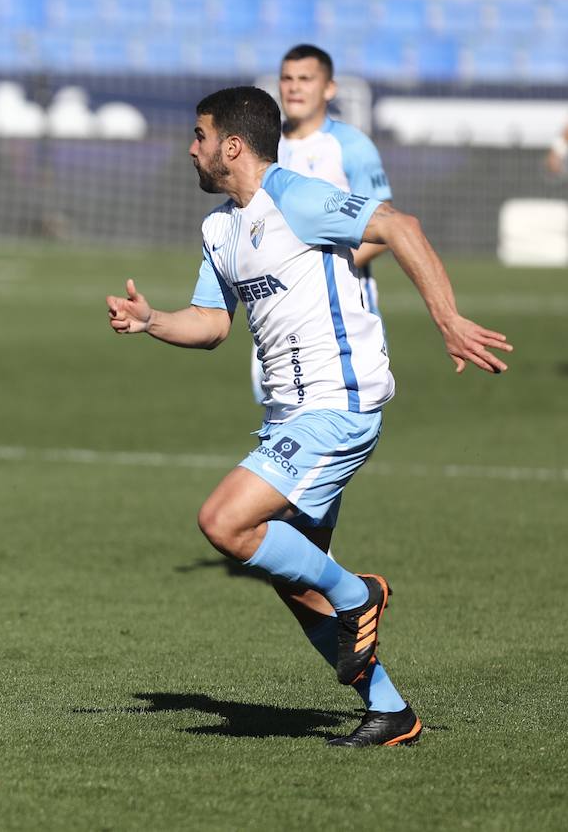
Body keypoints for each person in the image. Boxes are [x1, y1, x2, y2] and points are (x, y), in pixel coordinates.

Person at [106, 86, 512, 747]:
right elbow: (211, 324)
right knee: (293, 578)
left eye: (200, 136)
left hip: (338, 403)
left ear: (231, 146)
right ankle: (390, 712)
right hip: (288, 415)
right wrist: (152, 320)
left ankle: (360, 595)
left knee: (224, 520)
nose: (191, 148)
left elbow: (400, 226)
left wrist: (447, 318)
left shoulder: (296, 197)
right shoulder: (220, 229)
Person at [255, 44, 393, 402]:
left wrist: (309, 271)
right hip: (277, 310)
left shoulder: (350, 145)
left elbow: (385, 231)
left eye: (305, 79)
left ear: (329, 88)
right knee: (279, 410)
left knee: (340, 408)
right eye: (287, 78)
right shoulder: (263, 147)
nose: (294, 87)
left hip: (339, 307)